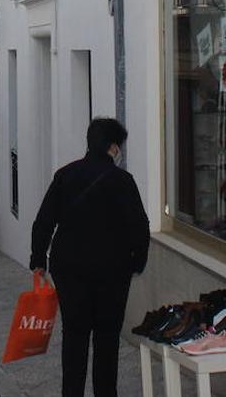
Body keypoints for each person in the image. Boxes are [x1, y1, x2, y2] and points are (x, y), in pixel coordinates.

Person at [31, 118, 150, 397]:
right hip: (113, 270)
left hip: (69, 268)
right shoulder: (122, 181)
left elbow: (44, 220)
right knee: (107, 338)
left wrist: (38, 260)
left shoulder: (65, 175)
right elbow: (139, 227)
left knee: (74, 335)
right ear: (113, 147)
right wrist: (137, 262)